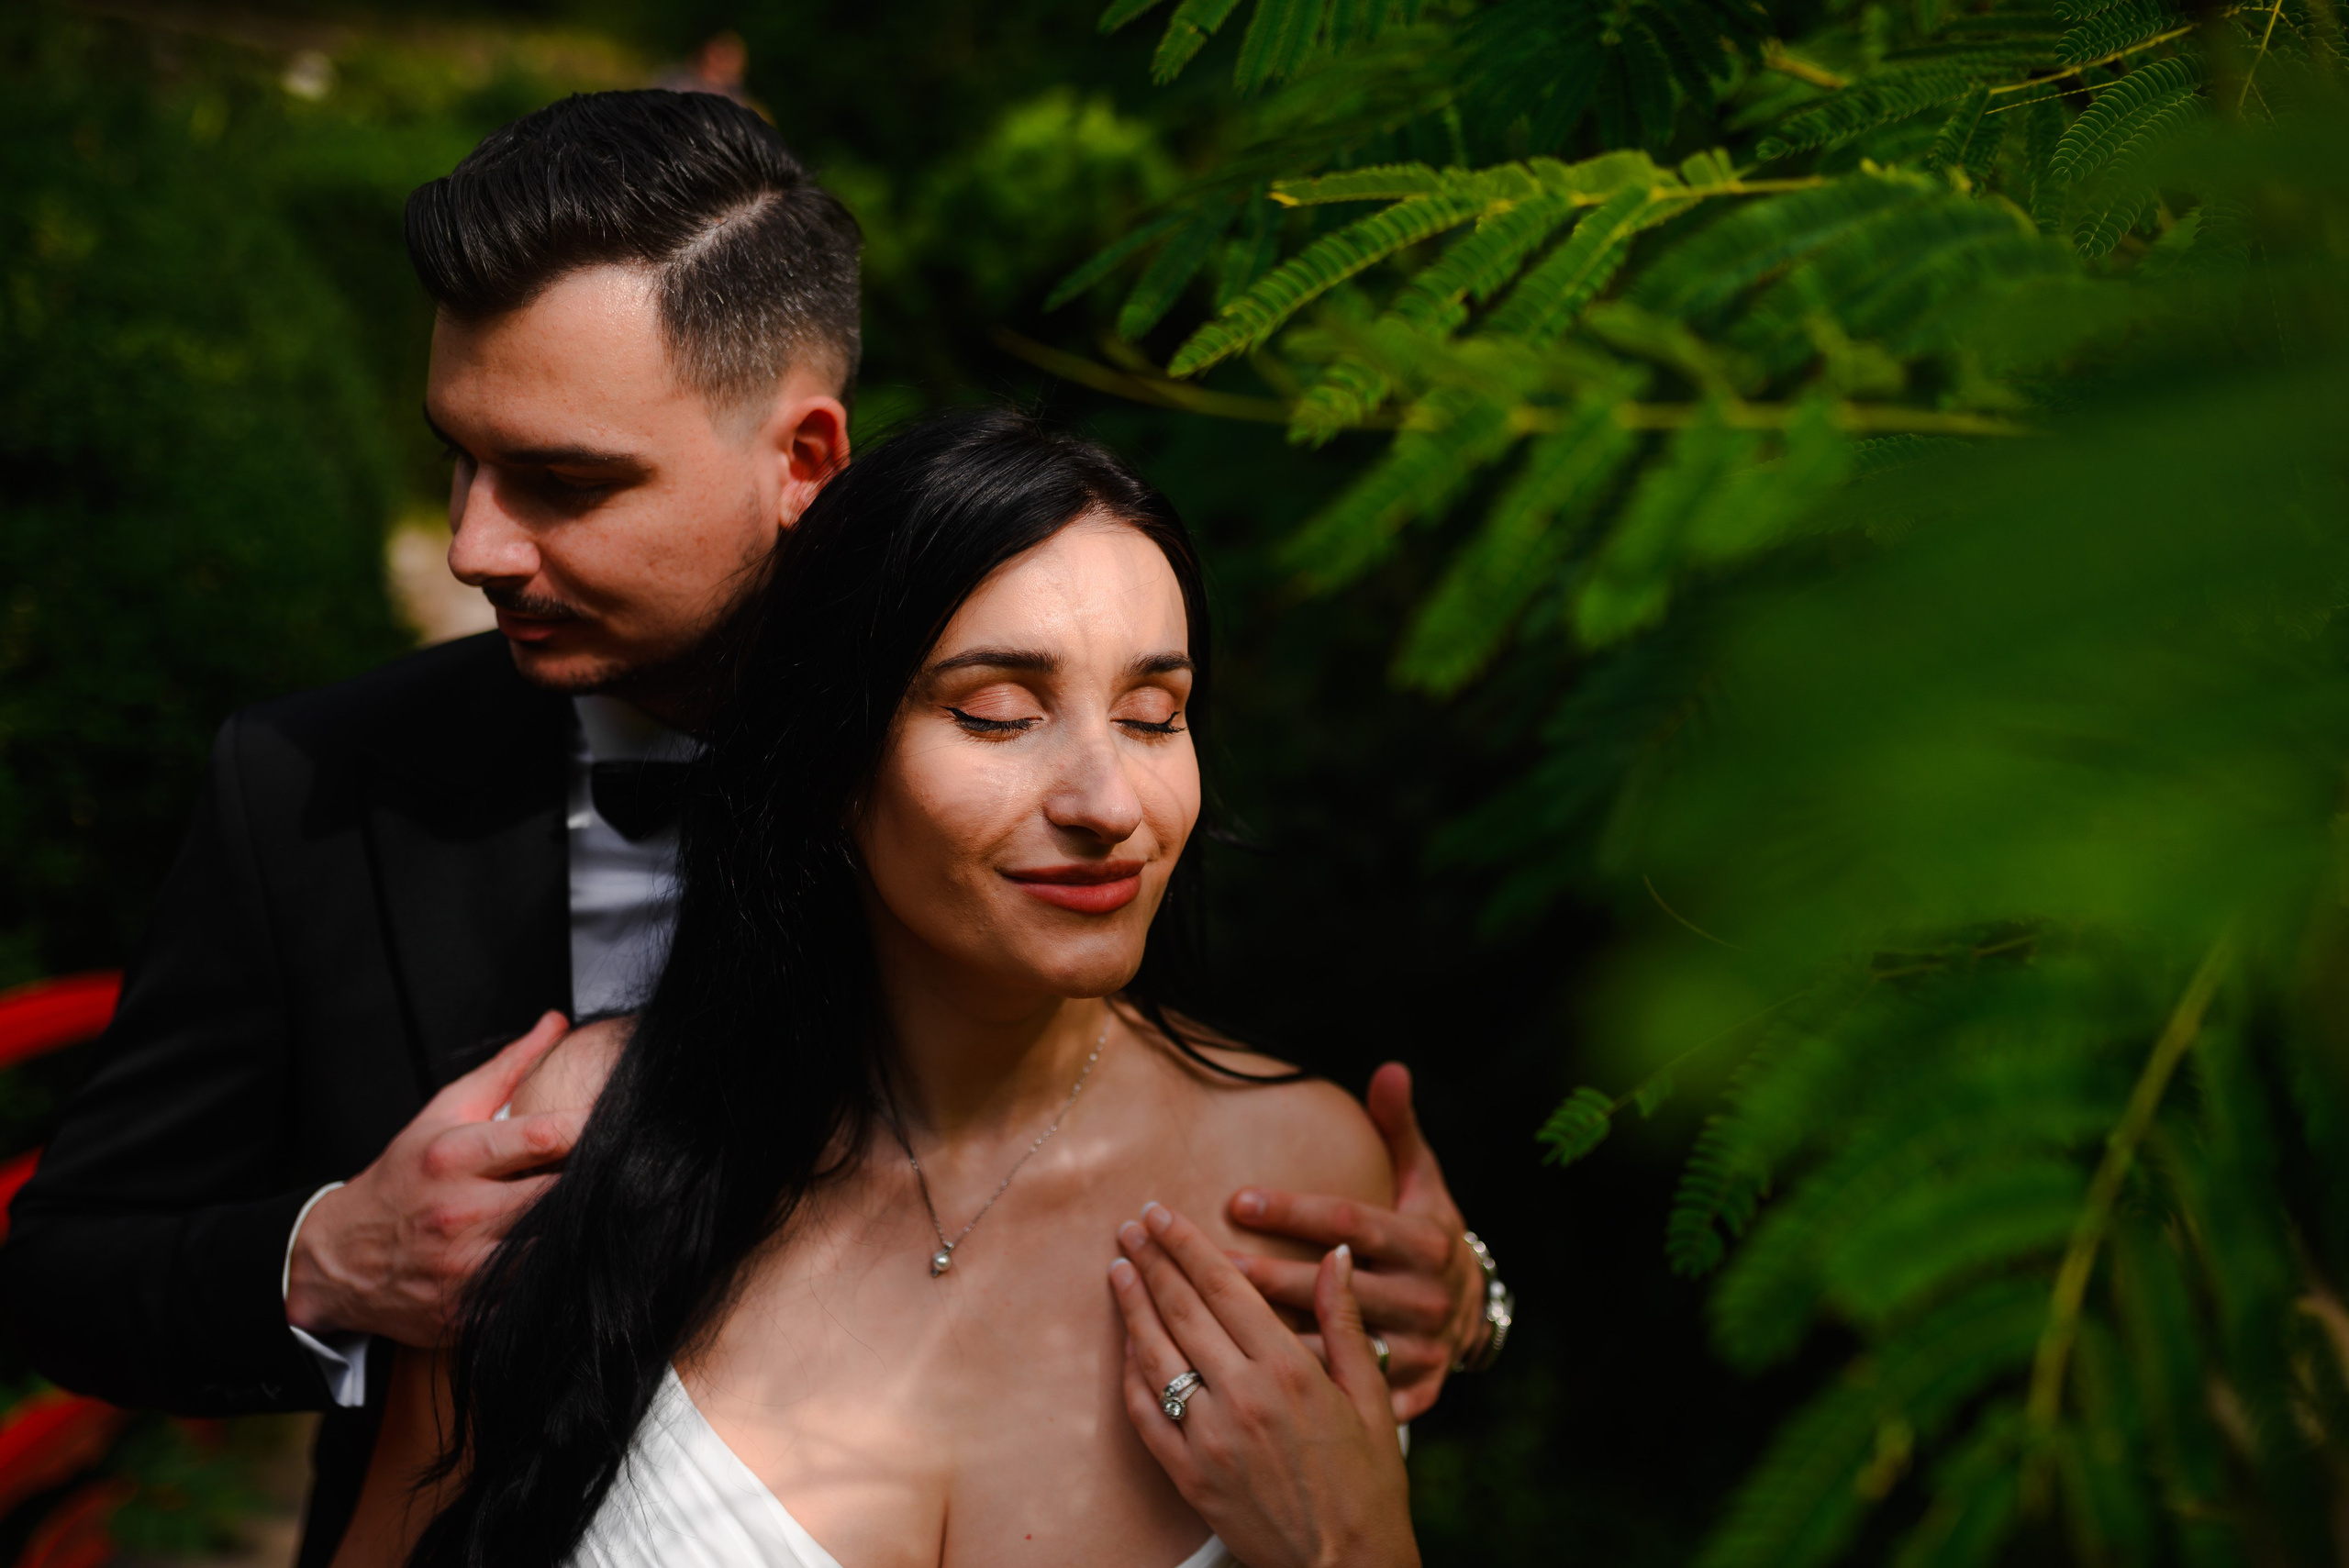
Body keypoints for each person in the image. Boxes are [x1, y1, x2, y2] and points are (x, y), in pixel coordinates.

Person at [0, 91, 1508, 1568]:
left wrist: (1460, 1293)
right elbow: (66, 1267)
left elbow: (1231, 1123)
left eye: (564, 480)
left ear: (804, 459)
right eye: (457, 457)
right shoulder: (311, 783)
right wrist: (336, 1255)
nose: (473, 544)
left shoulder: (1049, 735)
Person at [340, 407, 1420, 1568]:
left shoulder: (1298, 1178)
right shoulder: (586, 1132)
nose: (1108, 802)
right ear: (830, 763)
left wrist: (1354, 1548)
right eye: (999, 713)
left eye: (1153, 715)